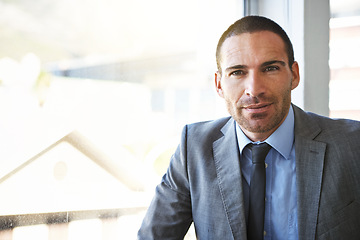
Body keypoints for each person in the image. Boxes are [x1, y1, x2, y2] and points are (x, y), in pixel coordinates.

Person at [137, 15, 360, 240]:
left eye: (270, 68)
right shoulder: (193, 148)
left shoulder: (353, 144)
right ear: (219, 84)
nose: (254, 90)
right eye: (237, 72)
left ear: (293, 75)